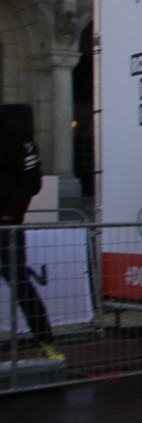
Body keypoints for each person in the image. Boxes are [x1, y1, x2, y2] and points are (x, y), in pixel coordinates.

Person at [0, 109, 58, 361]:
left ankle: (45, 341)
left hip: (7, 224)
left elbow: (32, 178)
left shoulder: (14, 131)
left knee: (18, 279)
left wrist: (10, 214)